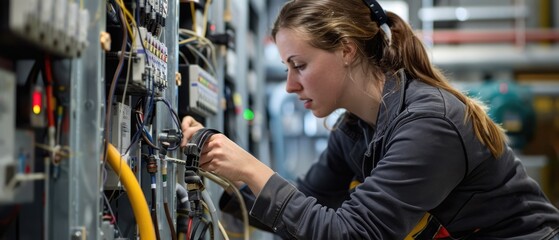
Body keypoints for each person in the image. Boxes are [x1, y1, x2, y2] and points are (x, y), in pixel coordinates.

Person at [181, 0, 559, 239]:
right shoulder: (355, 129)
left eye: (299, 65)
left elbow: (350, 234)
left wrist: (249, 168)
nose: (291, 85)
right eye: (286, 68)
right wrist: (225, 172)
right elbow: (305, 208)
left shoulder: (430, 124)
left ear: (346, 50)